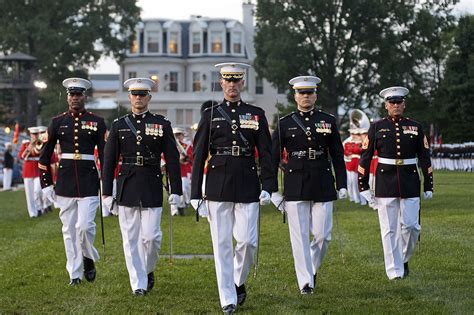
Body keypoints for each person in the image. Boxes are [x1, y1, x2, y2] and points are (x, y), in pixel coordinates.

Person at [190, 63, 276, 314]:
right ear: (221, 82)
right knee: (222, 244)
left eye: (236, 80)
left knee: (248, 241)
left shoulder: (256, 113)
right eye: (228, 80)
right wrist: (196, 193)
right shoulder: (210, 114)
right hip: (217, 183)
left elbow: (267, 153)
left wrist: (269, 186)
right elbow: (198, 155)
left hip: (248, 181)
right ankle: (227, 297)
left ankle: (238, 280)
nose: (232, 85)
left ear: (243, 83)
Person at [102, 77, 182, 296]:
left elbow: (173, 159)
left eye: (142, 94)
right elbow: (109, 161)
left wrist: (176, 190)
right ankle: (138, 284)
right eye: (135, 94)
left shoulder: (162, 124)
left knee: (151, 237)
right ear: (129, 97)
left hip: (151, 182)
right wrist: (106, 192)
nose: (138, 98)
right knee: (130, 239)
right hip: (127, 183)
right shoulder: (118, 125)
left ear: (149, 97)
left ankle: (147, 269)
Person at [270, 76, 347, 295]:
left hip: (322, 180)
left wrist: (341, 182)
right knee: (300, 236)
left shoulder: (328, 120)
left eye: (309, 93)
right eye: (301, 93)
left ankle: (310, 269)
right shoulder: (285, 123)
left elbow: (338, 155)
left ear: (315, 95)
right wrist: (272, 189)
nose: (306, 96)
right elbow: (273, 157)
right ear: (295, 96)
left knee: (323, 236)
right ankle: (305, 282)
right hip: (296, 182)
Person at [358, 86, 433, 280]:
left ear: (404, 104)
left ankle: (403, 257)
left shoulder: (415, 126)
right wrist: (363, 185)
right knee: (389, 229)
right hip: (385, 180)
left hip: (409, 179)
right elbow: (365, 156)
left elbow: (424, 156)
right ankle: (394, 271)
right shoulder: (377, 126)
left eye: (399, 102)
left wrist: (429, 184)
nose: (396, 105)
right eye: (392, 102)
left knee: (411, 227)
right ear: (386, 105)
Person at [39, 78, 107, 286]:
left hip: (88, 179)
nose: (75, 98)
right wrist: (46, 184)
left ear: (84, 97)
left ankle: (88, 257)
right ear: (68, 97)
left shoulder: (97, 121)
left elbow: (105, 155)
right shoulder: (57, 122)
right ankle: (74, 274)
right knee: (69, 229)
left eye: (78, 95)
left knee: (85, 226)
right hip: (65, 181)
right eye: (72, 95)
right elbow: (44, 155)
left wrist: (107, 182)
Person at [18, 127, 43, 217]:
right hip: (28, 171)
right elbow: (21, 156)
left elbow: (41, 153)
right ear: (31, 135)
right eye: (34, 134)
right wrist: (28, 148)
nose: (35, 136)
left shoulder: (41, 143)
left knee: (37, 191)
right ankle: (32, 213)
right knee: (29, 194)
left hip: (37, 170)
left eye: (36, 134)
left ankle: (39, 207)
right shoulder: (25, 143)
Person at [170, 127, 193, 216]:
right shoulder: (171, 146)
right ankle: (174, 210)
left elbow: (191, 155)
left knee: (184, 188)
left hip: (184, 170)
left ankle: (182, 204)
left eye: (179, 134)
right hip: (173, 170)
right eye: (176, 135)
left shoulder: (187, 146)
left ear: (183, 136)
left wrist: (186, 159)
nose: (178, 136)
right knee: (172, 191)